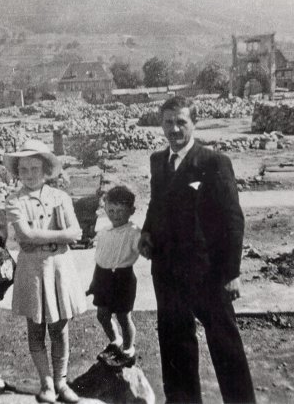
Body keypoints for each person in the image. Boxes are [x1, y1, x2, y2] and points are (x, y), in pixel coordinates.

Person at [139, 96, 256, 403]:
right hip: (166, 270)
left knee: (224, 342)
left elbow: (233, 220)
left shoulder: (213, 162)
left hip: (208, 271)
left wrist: (233, 274)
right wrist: (147, 232)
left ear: (194, 123)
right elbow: (156, 203)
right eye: (168, 122)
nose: (174, 129)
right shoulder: (157, 160)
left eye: (181, 122)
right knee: (174, 340)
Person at [4, 139, 86, 404]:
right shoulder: (14, 200)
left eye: (35, 168)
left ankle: (62, 381)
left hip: (59, 266)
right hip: (32, 269)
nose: (29, 175)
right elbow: (24, 234)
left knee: (60, 328)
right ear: (17, 172)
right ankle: (46, 382)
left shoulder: (60, 197)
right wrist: (59, 236)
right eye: (24, 169)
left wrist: (49, 237)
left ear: (46, 169)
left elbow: (77, 232)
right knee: (36, 327)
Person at [87, 185, 141, 368]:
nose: (115, 215)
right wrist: (94, 283)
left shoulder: (134, 232)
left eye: (120, 211)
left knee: (124, 317)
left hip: (123, 279)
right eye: (111, 210)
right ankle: (115, 341)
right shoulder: (104, 232)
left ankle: (128, 350)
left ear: (131, 211)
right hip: (103, 278)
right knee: (102, 315)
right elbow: (100, 259)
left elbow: (145, 249)